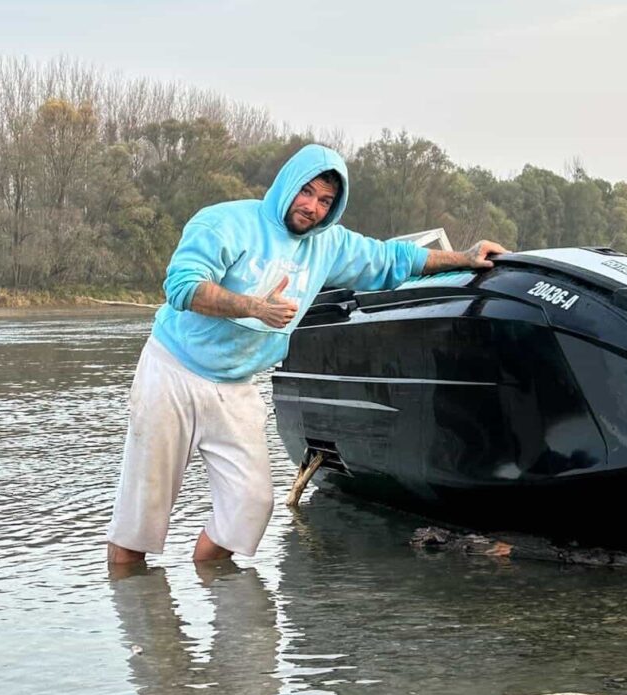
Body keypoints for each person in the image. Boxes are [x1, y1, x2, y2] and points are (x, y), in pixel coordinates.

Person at [106, 143, 506, 564]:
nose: (313, 207)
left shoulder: (329, 244)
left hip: (236, 385)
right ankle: (140, 615)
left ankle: (214, 595)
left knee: (250, 506)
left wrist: (464, 257)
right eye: (307, 192)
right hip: (173, 372)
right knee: (142, 515)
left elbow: (393, 258)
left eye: (325, 201)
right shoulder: (225, 222)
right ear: (287, 187)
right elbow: (182, 287)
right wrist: (255, 307)